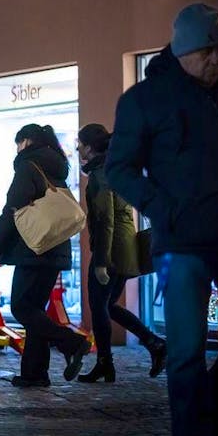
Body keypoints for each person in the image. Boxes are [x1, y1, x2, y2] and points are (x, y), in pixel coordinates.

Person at [106, 3, 218, 436]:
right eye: (208, 51)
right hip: (182, 241)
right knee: (186, 349)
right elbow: (118, 168)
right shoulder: (145, 100)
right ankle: (194, 434)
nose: (217, 59)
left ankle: (210, 411)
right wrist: (165, 207)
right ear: (183, 50)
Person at [0, 124, 91, 388]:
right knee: (35, 310)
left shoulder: (28, 166)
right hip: (55, 247)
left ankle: (72, 342)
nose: (17, 148)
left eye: (18, 142)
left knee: (21, 307)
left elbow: (12, 209)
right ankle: (35, 373)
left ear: (27, 141)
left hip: (33, 250)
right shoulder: (56, 167)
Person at [76, 123, 167, 383]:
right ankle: (153, 343)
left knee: (99, 305)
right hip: (124, 247)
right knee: (108, 306)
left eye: (80, 143)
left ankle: (107, 363)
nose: (78, 147)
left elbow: (106, 218)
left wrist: (102, 262)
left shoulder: (100, 175)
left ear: (90, 147)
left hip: (113, 250)